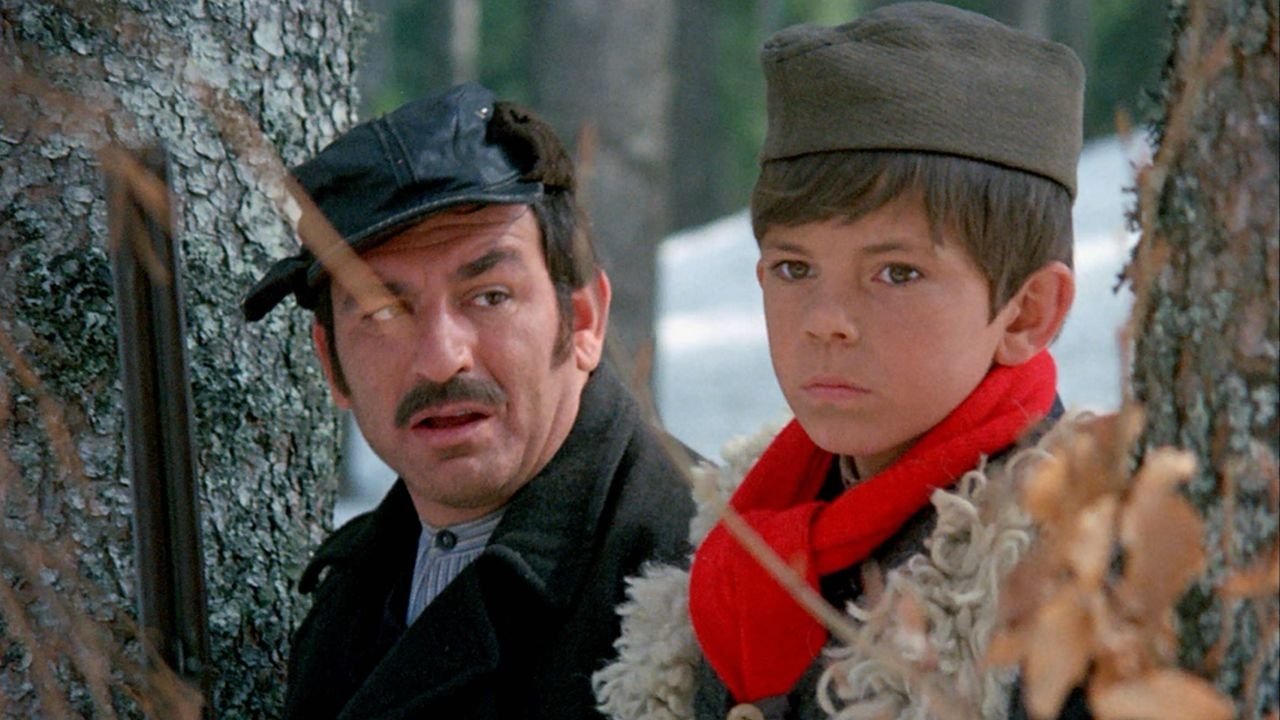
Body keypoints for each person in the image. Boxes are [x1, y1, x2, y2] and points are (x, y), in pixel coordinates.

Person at [593, 3, 1089, 719]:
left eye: (897, 273)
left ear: (1027, 311)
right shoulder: (729, 526)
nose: (825, 321)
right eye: (794, 269)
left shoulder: (1073, 575)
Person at [242, 82, 697, 719]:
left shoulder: (700, 576)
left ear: (584, 321)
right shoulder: (352, 596)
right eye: (382, 311)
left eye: (489, 296)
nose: (441, 357)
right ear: (332, 364)